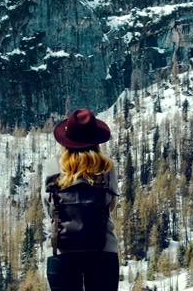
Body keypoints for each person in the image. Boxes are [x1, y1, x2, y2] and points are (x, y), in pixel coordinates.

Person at [42, 108, 119, 291]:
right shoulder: (106, 167)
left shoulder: (51, 166)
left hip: (61, 252)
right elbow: (111, 204)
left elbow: (48, 208)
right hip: (103, 250)